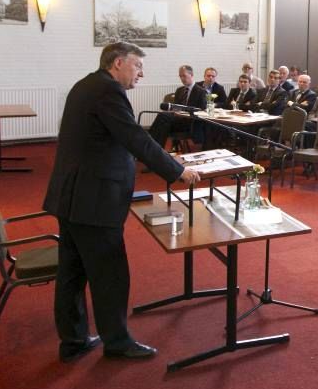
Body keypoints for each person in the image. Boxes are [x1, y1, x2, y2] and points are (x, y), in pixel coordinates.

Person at [43, 42, 202, 362]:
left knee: (72, 273)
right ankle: (117, 342)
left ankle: (73, 341)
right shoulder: (108, 91)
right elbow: (135, 137)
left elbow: (109, 139)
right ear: (117, 63)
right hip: (93, 200)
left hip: (72, 196)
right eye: (137, 66)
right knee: (110, 275)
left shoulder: (86, 84)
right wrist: (177, 170)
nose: (142, 73)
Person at [148, 65, 206, 148]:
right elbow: (174, 107)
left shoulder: (201, 91)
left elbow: (202, 111)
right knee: (163, 120)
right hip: (177, 120)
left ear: (191, 75)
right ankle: (155, 147)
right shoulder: (179, 90)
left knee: (163, 118)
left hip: (190, 122)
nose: (182, 78)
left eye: (184, 76)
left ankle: (152, 147)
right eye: (180, 76)